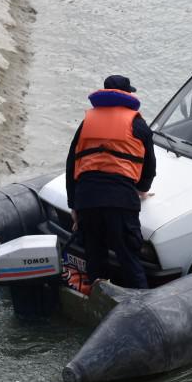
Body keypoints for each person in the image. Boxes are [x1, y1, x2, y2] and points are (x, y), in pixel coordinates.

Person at [65, 75, 156, 289]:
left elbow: (72, 164)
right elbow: (149, 165)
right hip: (121, 201)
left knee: (95, 260)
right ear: (128, 95)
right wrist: (142, 189)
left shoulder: (87, 122)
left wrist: (74, 205)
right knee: (129, 260)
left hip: (87, 199)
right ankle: (138, 305)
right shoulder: (138, 124)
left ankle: (97, 301)